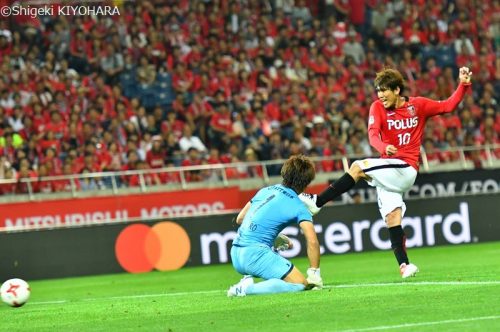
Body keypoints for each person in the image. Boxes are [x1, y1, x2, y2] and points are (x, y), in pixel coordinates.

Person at [299, 67, 473, 278]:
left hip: (406, 167)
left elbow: (447, 106)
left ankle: (318, 202)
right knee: (392, 218)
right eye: (378, 91)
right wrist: (383, 148)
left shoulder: (417, 105)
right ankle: (405, 265)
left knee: (358, 166)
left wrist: (463, 85)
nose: (380, 96)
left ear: (397, 90)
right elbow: (372, 135)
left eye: (384, 91)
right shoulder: (377, 107)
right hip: (389, 169)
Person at [228, 155, 323, 297]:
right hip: (255, 255)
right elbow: (312, 241)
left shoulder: (265, 190)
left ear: (284, 173)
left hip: (236, 254)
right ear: (306, 183)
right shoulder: (299, 206)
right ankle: (245, 289)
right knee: (299, 284)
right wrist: (314, 272)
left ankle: (247, 280)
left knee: (284, 279)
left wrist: (274, 237)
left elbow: (240, 219)